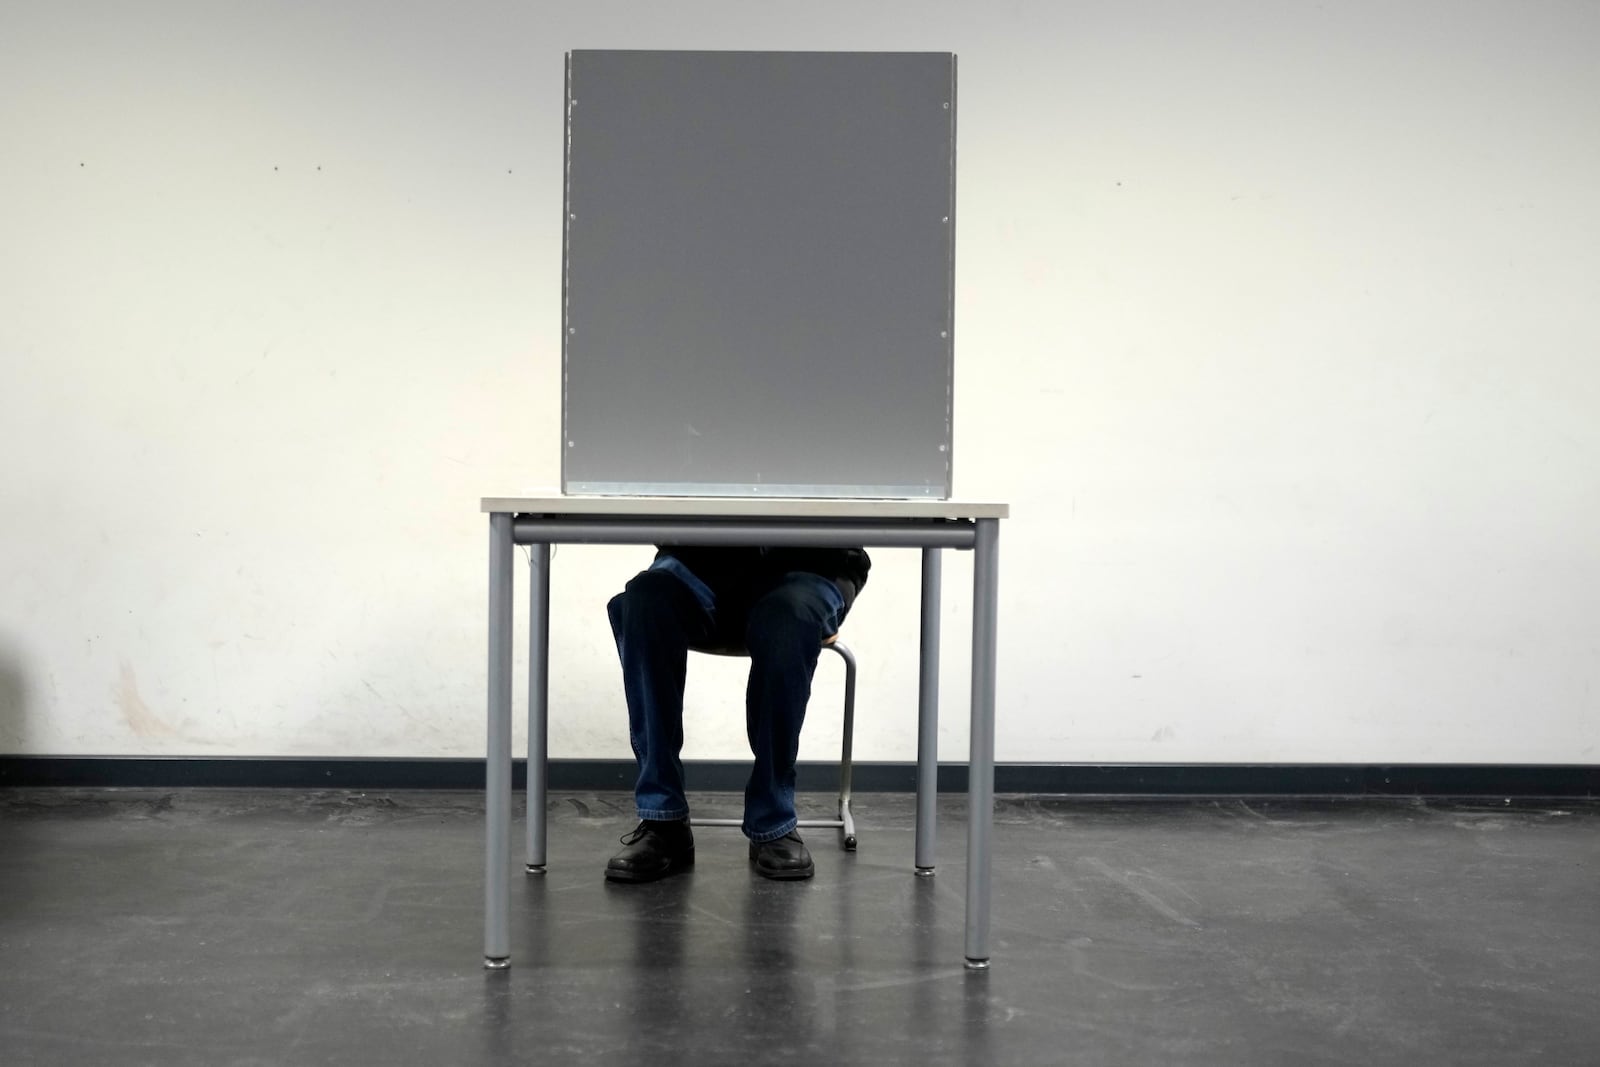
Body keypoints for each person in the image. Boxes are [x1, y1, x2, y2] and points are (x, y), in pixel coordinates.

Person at [604, 544, 870, 882]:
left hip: (813, 564)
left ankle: (773, 819)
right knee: (644, 602)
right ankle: (663, 818)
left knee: (788, 619)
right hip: (700, 563)